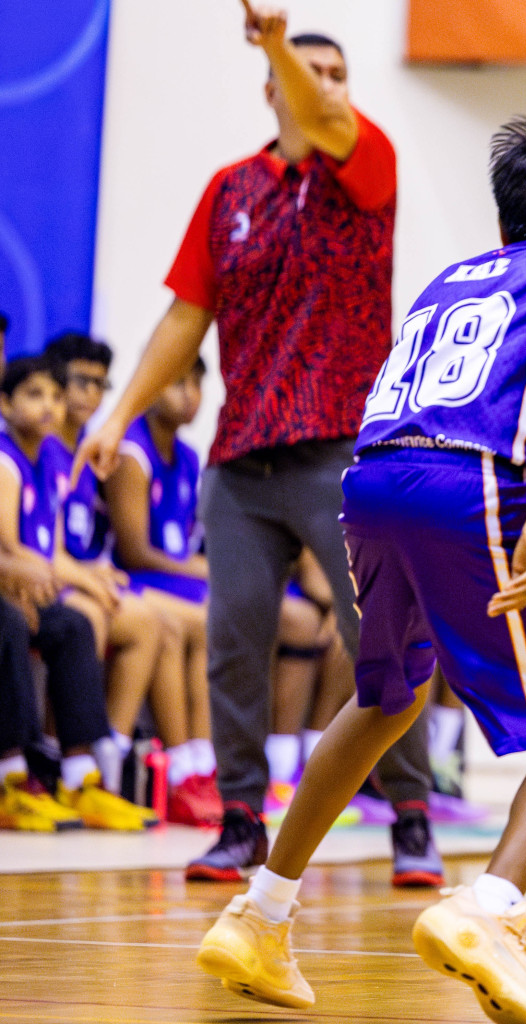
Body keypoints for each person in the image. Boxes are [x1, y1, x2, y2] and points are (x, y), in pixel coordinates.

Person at [193, 115, 526, 1024]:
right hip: (468, 486)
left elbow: (434, 436)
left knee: (386, 698)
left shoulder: (453, 281)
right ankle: (492, 910)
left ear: (502, 224)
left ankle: (261, 912)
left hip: (371, 485)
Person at [77, 3, 437, 883]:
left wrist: (275, 34)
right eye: (311, 78)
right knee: (237, 641)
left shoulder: (370, 165)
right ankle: (240, 820)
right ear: (269, 91)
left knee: (377, 637)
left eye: (340, 78)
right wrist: (117, 414)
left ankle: (413, 817)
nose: (329, 92)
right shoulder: (229, 190)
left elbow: (329, 119)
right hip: (241, 456)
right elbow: (185, 313)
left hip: (342, 449)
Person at [44, 331, 215, 821]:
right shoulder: (118, 451)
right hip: (100, 579)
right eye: (74, 384)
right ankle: (154, 769)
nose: (88, 396)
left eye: (100, 385)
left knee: (208, 617)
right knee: (162, 621)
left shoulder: (95, 447)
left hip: (93, 578)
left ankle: (142, 768)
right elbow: (135, 551)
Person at [0, 357, 154, 830]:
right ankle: (13, 778)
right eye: (33, 395)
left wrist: (89, 576)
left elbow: (54, 549)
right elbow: (9, 548)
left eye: (52, 395)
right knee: (9, 622)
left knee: (74, 625)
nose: (49, 406)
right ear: (4, 404)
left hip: (33, 584)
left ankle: (80, 775)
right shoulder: (6, 460)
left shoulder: (50, 460)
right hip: (9, 588)